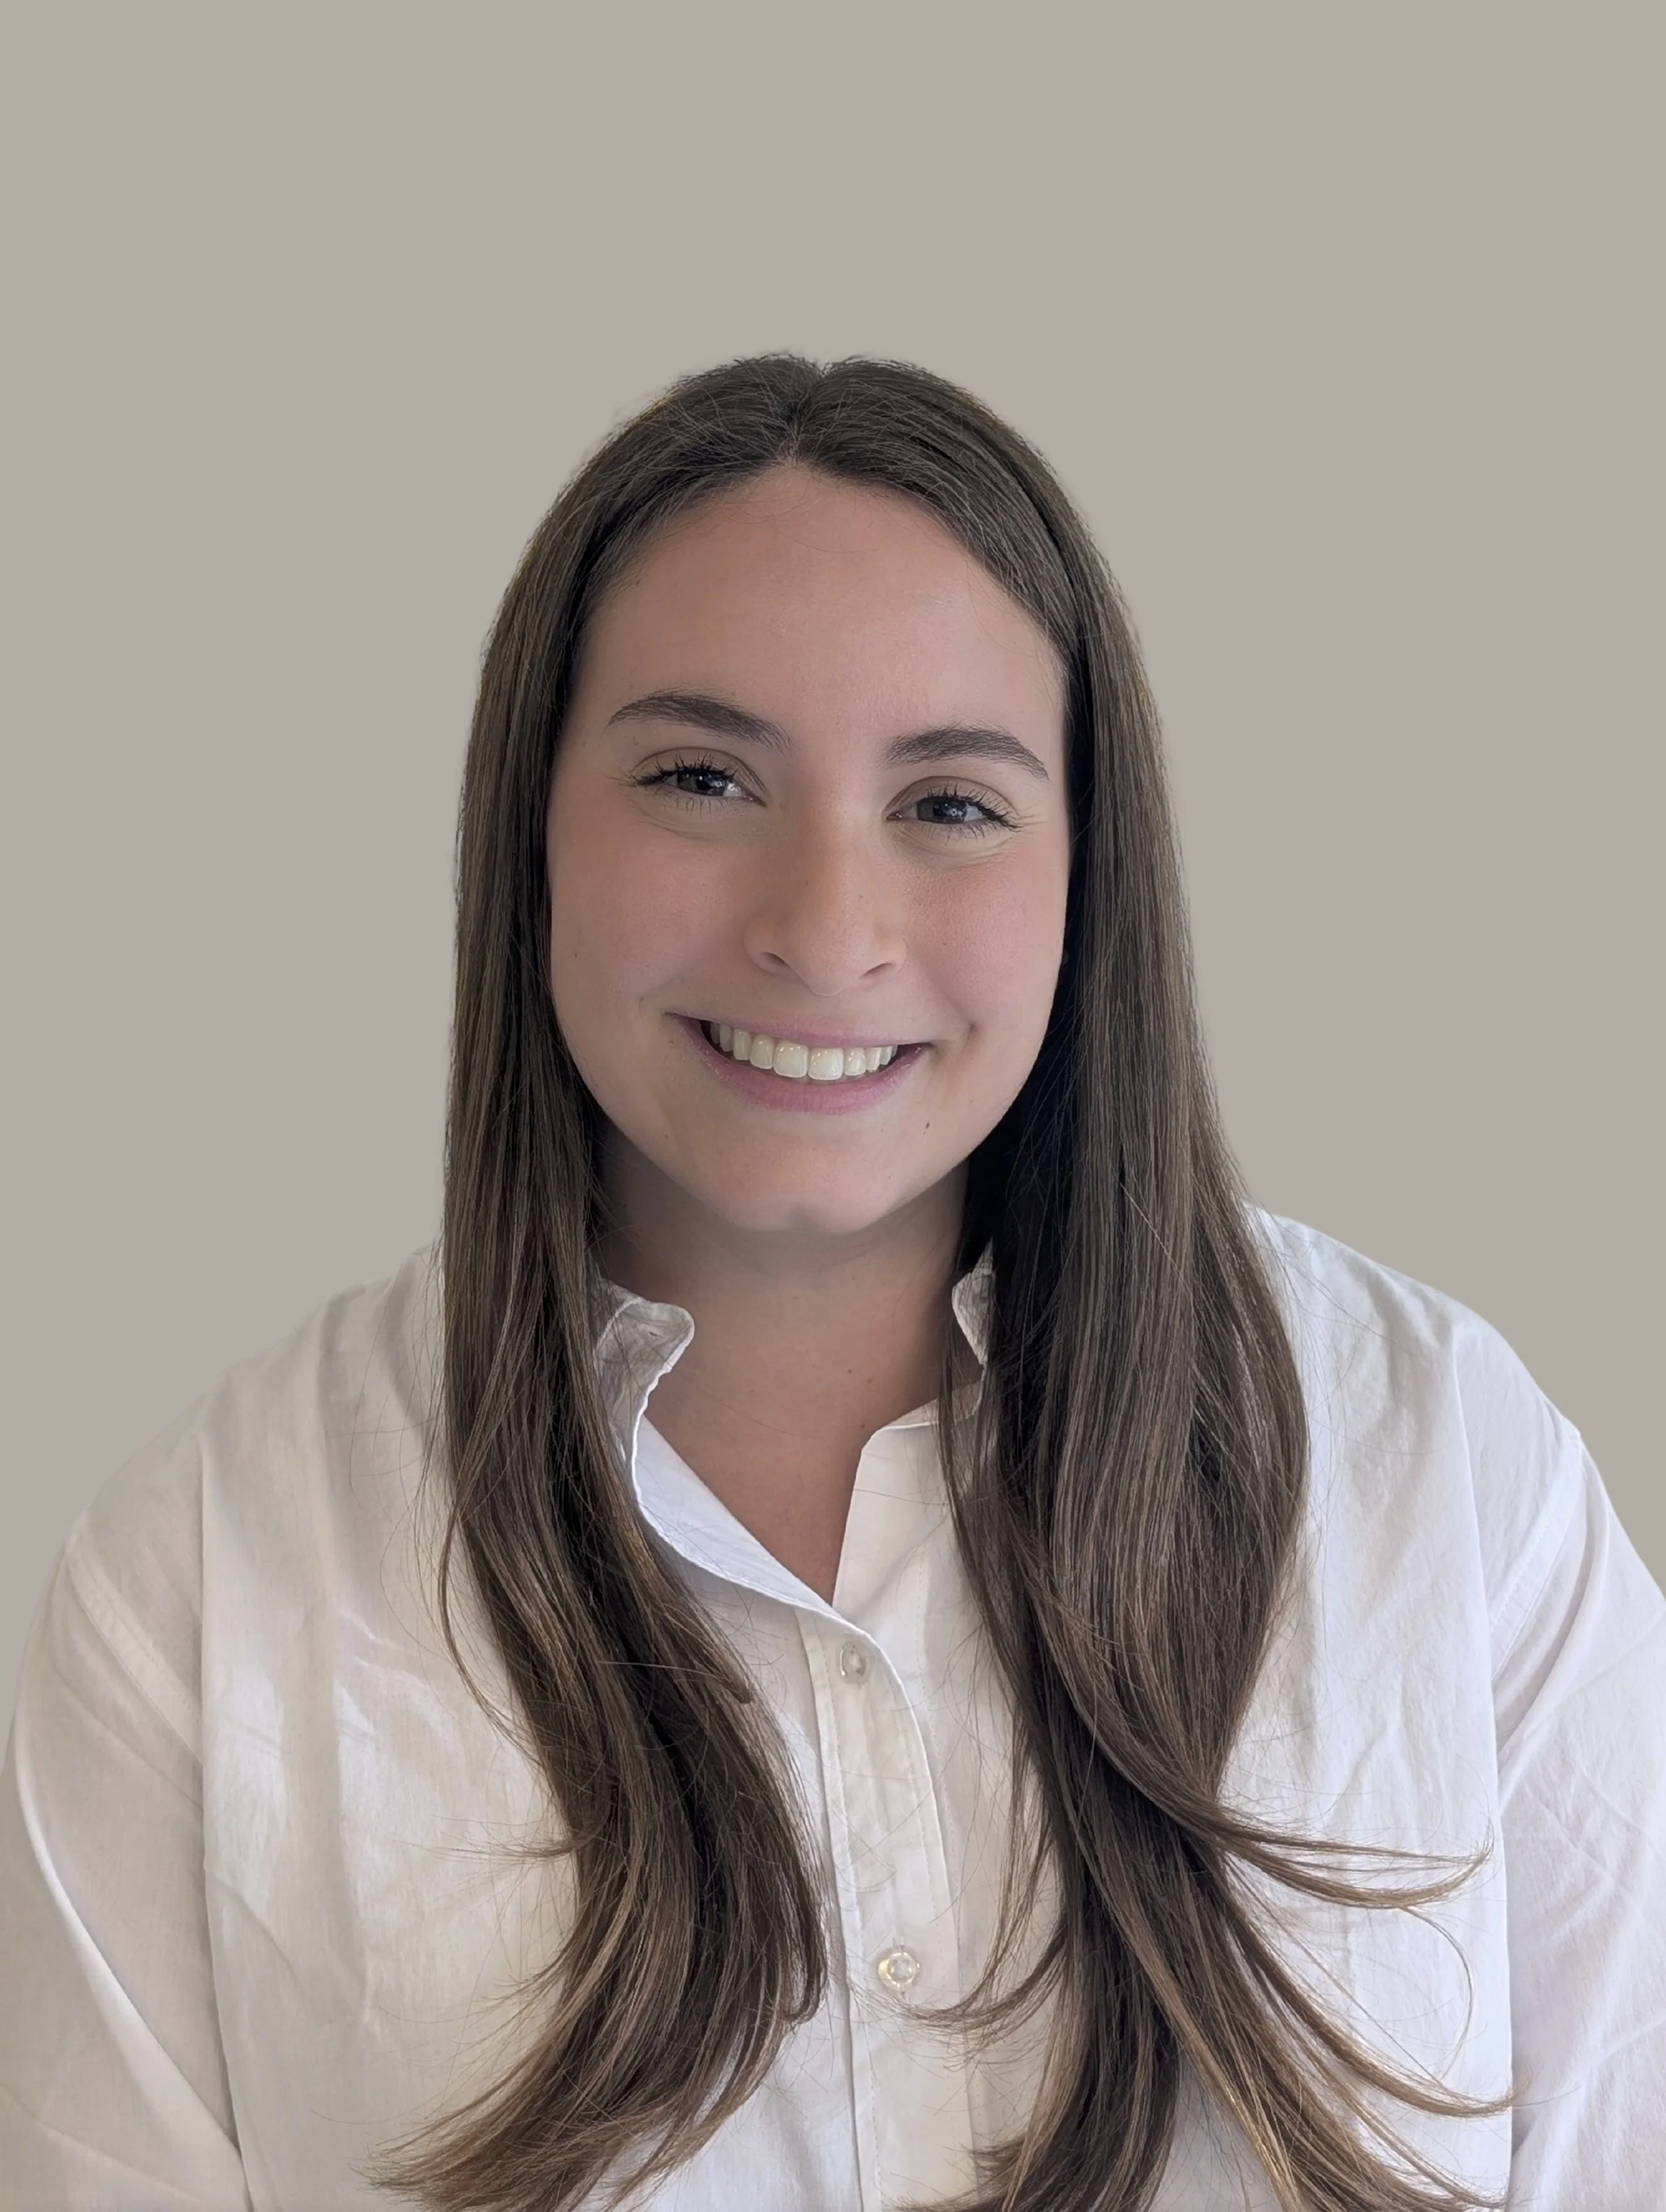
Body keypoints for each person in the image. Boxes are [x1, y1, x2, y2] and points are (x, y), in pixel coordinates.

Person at [2, 355, 1662, 2212]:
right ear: (531, 826)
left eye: (950, 802)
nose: (823, 926)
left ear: (1084, 873)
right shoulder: (204, 1574)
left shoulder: (1452, 1479)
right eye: (700, 776)